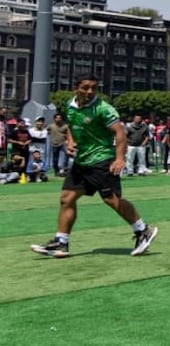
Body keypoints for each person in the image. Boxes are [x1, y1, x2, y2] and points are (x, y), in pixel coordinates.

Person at [31, 75, 159, 258]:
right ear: (76, 88)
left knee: (111, 199)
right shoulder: (70, 105)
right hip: (82, 162)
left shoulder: (103, 109)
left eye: (93, 88)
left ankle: (143, 230)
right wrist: (70, 141)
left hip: (102, 160)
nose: (90, 91)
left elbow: (120, 132)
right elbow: (71, 127)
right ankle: (61, 243)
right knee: (66, 198)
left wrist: (120, 158)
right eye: (85, 87)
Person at [47, 113, 69, 177]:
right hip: (55, 144)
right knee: (55, 159)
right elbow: (45, 131)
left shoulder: (65, 126)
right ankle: (56, 171)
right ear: (54, 119)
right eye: (57, 118)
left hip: (63, 143)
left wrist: (67, 140)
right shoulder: (51, 126)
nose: (58, 119)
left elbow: (69, 134)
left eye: (60, 118)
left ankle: (64, 168)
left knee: (67, 153)